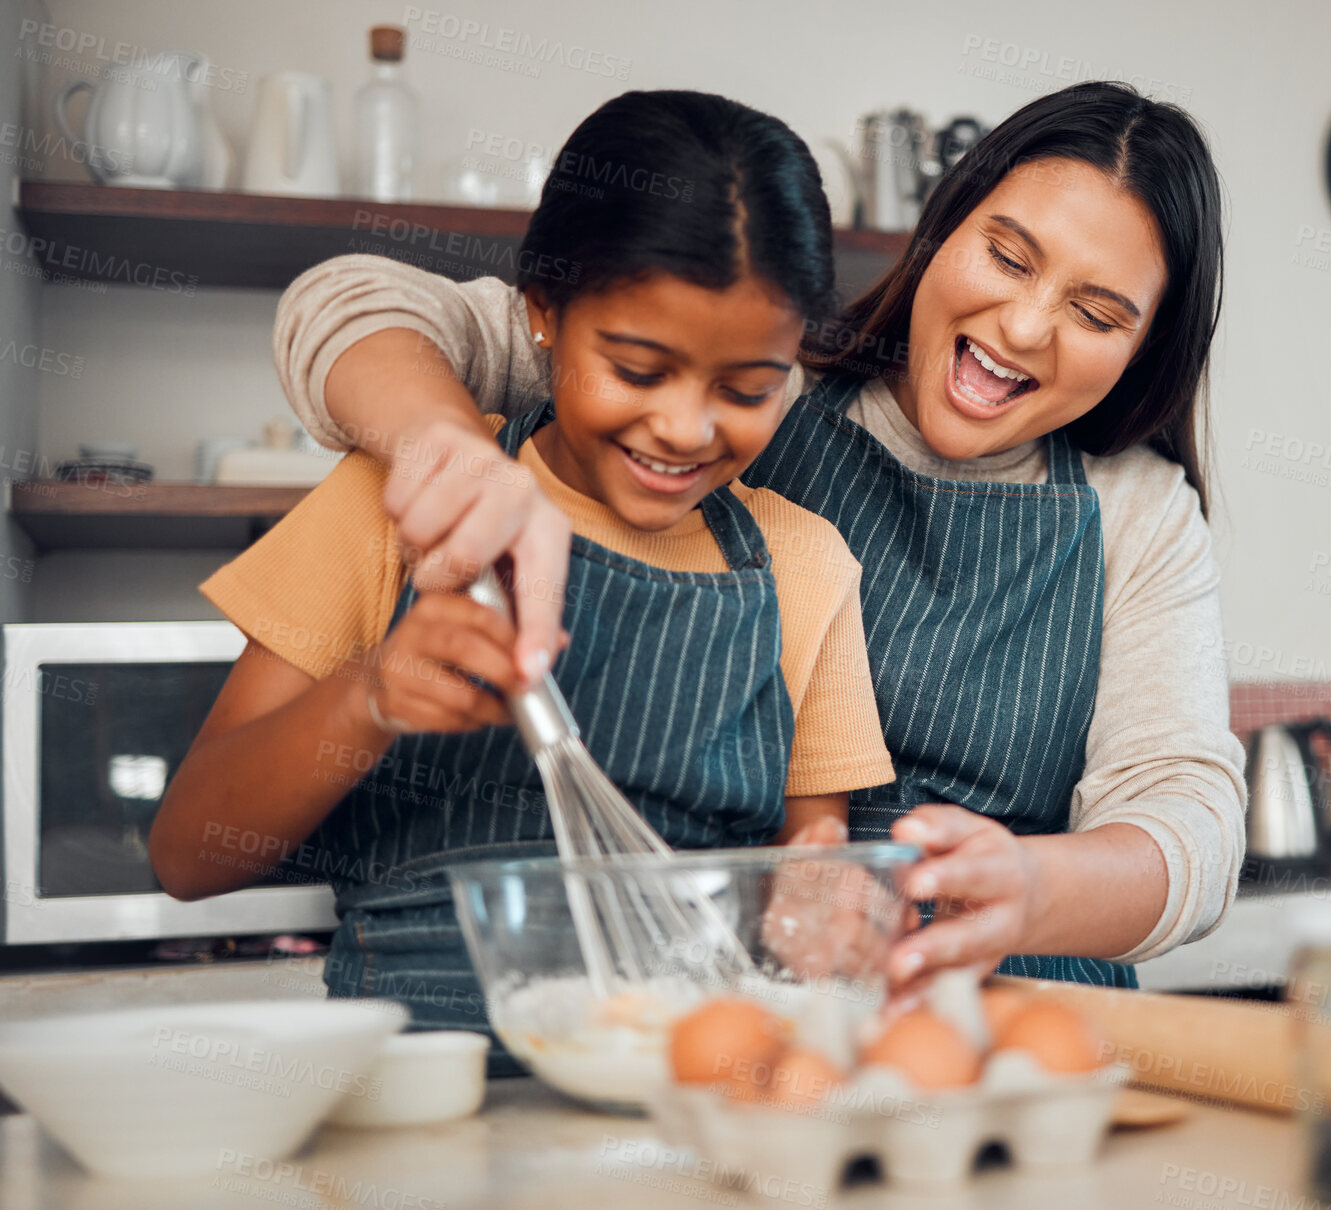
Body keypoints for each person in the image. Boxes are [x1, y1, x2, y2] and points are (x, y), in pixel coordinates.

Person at [269, 81, 1247, 991]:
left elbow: (1188, 826)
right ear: (942, 229)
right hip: (742, 1007)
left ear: (1143, 345)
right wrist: (451, 453)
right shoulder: (746, 382)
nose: (1028, 326)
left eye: (1094, 312)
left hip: (1010, 1013)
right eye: (1007, 255)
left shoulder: (1138, 511)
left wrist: (1027, 889)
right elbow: (349, 302)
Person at [149, 91, 895, 1070]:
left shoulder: (804, 564)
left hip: (679, 1097)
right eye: (636, 369)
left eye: (747, 389)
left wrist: (830, 909)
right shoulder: (402, 500)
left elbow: (814, 870)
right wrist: (368, 697)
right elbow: (190, 855)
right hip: (421, 1092)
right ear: (541, 313)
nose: (684, 427)